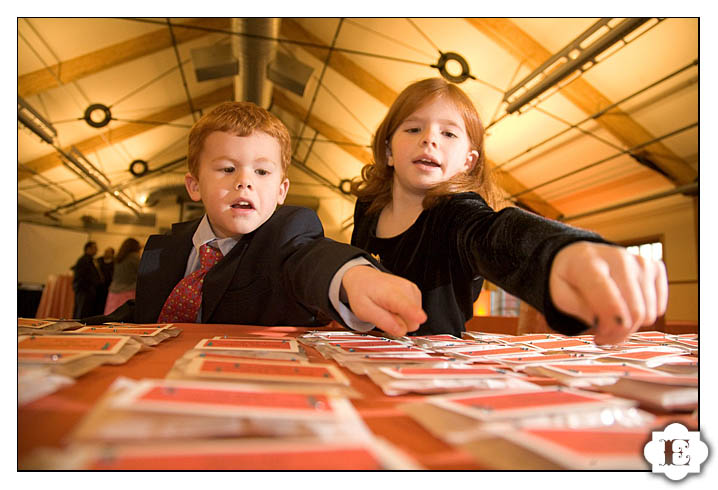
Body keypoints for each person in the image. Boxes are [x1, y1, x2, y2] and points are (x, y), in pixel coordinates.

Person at [350, 78, 668, 345]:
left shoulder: (455, 214)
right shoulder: (367, 209)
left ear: (467, 162)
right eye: (413, 129)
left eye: (448, 133)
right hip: (357, 353)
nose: (430, 139)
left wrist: (560, 253)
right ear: (389, 150)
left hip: (430, 370)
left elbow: (497, 234)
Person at [84, 101, 425, 337]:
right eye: (227, 168)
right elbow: (147, 314)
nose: (244, 181)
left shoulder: (286, 235)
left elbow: (310, 258)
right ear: (194, 185)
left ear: (281, 190)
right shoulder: (165, 248)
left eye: (262, 171)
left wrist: (351, 277)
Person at [103, 239, 140, 315]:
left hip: (113, 293)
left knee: (110, 318)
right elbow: (143, 272)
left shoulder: (119, 257)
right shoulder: (134, 257)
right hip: (128, 292)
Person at [71, 241, 104, 318]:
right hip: (84, 290)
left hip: (87, 290)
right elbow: (82, 276)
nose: (97, 250)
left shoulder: (91, 260)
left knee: (85, 312)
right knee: (82, 312)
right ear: (88, 249)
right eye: (94, 248)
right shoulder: (84, 260)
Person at [96, 246, 115, 312]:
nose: (105, 253)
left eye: (108, 252)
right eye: (105, 251)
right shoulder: (98, 261)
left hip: (108, 287)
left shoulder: (115, 263)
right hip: (98, 287)